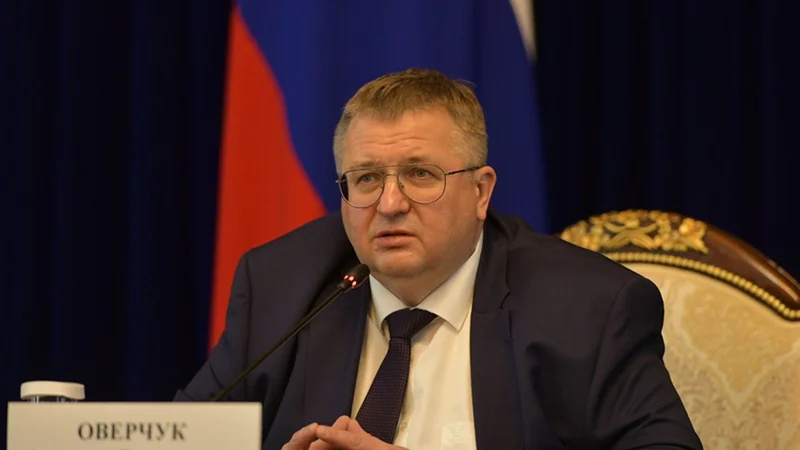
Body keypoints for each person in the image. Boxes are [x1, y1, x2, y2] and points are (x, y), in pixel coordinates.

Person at [175, 68, 702, 450]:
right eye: (366, 179)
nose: (389, 203)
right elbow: (187, 437)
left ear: (480, 192)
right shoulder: (280, 286)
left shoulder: (585, 307)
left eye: (420, 174)